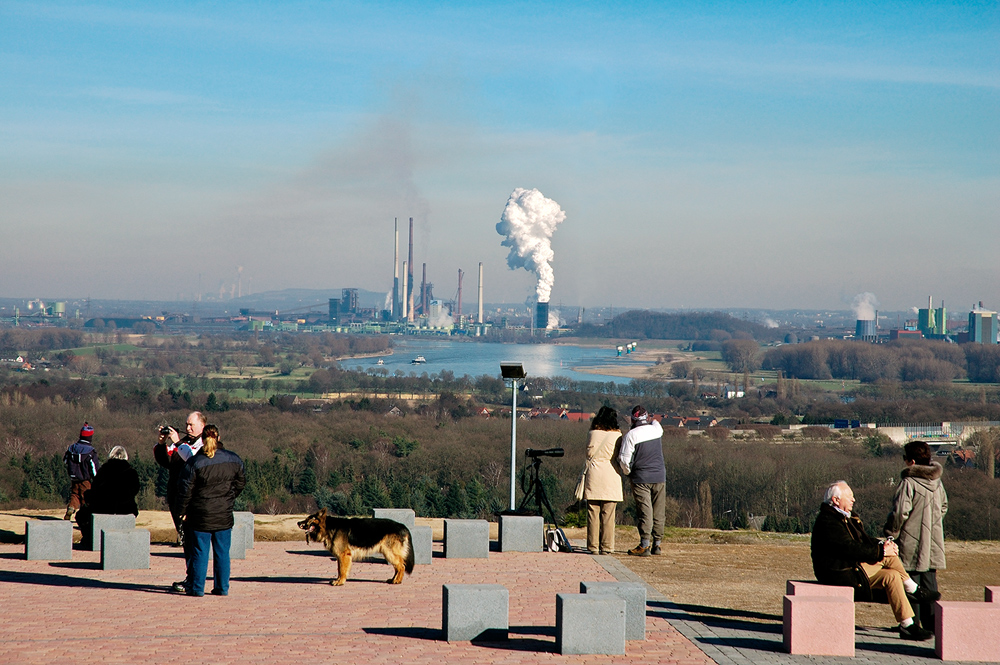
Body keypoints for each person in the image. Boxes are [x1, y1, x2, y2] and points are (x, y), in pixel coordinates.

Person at [811, 480, 940, 641]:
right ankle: (913, 589)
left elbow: (864, 541)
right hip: (838, 573)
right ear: (836, 500)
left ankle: (907, 625)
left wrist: (882, 544)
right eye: (849, 496)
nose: (853, 500)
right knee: (888, 556)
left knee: (892, 576)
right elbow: (849, 548)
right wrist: (882, 551)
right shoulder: (828, 521)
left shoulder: (847, 518)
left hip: (851, 569)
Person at [884, 441, 948, 631]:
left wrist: (891, 533)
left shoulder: (908, 482)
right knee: (929, 581)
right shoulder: (937, 483)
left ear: (911, 461)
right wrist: (932, 523)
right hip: (933, 540)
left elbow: (900, 512)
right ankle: (932, 625)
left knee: (910, 582)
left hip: (910, 539)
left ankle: (913, 625)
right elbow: (944, 506)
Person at [175, 424, 246, 597]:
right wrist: (229, 498)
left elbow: (185, 490)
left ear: (203, 440)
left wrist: (182, 511)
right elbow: (241, 482)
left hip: (199, 515)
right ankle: (222, 588)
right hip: (223, 513)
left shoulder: (195, 462)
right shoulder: (233, 459)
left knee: (200, 552)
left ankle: (197, 588)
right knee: (222, 553)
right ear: (218, 438)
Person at [617, 405, 666, 557]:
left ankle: (644, 545)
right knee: (659, 511)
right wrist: (652, 420)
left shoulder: (631, 435)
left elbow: (624, 460)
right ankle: (657, 544)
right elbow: (656, 422)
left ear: (632, 419)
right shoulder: (657, 430)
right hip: (659, 475)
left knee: (645, 511)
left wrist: (628, 473)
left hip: (641, 477)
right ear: (647, 417)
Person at [154, 411, 206, 548]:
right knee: (181, 529)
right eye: (186, 425)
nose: (188, 428)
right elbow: (166, 461)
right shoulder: (183, 442)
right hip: (176, 491)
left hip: (194, 493)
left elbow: (194, 460)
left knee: (194, 531)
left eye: (191, 425)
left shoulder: (205, 443)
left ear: (202, 425)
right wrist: (161, 443)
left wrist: (178, 442)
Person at [75, 445, 141, 549]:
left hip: (102, 508)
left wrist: (88, 498)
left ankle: (89, 539)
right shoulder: (131, 472)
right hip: (126, 509)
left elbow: (95, 490)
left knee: (80, 515)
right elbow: (135, 490)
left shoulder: (103, 471)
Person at [583, 406, 624, 555]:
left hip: (593, 474)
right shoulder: (617, 436)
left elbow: (587, 453)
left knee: (593, 513)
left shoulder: (592, 434)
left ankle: (593, 547)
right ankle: (606, 547)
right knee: (608, 515)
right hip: (611, 474)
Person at [63, 423, 100, 521]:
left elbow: (65, 460)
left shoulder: (72, 448)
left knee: (75, 494)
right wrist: (96, 478)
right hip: (85, 479)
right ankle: (86, 518)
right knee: (86, 497)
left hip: (74, 477)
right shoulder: (90, 451)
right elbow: (94, 467)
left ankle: (71, 507)